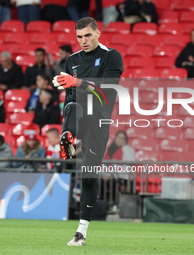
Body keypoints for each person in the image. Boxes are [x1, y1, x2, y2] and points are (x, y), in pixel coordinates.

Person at [52, 17, 123, 245]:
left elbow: (106, 91)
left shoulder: (112, 56)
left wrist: (77, 82)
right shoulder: (71, 60)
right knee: (72, 105)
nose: (83, 41)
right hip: (78, 116)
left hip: (99, 121)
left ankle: (81, 233)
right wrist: (70, 85)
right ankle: (67, 137)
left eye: (88, 35)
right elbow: (70, 96)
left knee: (89, 176)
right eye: (79, 37)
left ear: (98, 33)